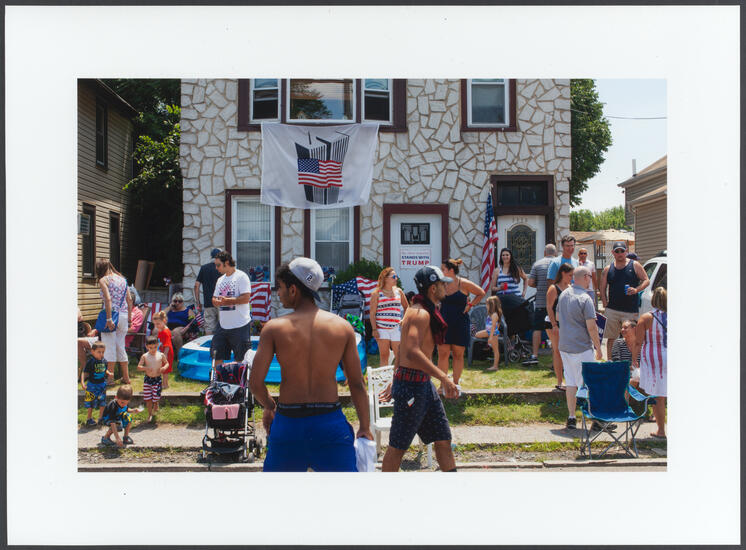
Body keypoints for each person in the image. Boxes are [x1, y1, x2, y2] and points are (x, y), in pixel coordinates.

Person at [249, 257, 373, 472]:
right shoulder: (342, 327)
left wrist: (270, 406)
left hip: (288, 425)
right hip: (330, 424)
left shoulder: (274, 329)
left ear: (293, 290)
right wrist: (364, 426)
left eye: (280, 287)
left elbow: (255, 383)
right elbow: (356, 383)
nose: (278, 293)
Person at [382, 265, 460, 472]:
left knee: (443, 439)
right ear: (433, 288)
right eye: (442, 284)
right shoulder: (420, 313)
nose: (446, 287)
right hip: (411, 387)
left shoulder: (422, 310)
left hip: (422, 385)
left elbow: (402, 350)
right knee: (397, 447)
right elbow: (411, 351)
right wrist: (444, 377)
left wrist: (394, 376)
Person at [556, 265, 604, 431]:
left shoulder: (563, 294)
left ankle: (571, 417)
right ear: (584, 277)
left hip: (565, 345)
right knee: (589, 383)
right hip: (582, 347)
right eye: (589, 276)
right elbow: (592, 327)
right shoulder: (585, 298)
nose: (590, 279)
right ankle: (595, 419)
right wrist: (598, 348)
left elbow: (557, 317)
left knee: (570, 382)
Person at [437, 259, 485, 389]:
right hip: (443, 323)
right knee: (443, 354)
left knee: (458, 354)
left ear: (451, 270)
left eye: (443, 269)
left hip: (460, 322)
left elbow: (481, 293)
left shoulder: (463, 283)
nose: (441, 271)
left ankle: (456, 385)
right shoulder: (440, 283)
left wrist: (470, 305)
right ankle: (442, 385)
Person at [600, 240, 650, 359]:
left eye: (622, 251)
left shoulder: (635, 265)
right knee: (611, 338)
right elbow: (602, 287)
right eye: (617, 251)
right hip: (613, 310)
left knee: (632, 337)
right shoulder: (608, 269)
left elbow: (646, 280)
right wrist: (605, 302)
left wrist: (636, 290)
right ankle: (610, 362)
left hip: (630, 310)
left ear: (626, 251)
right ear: (613, 253)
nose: (619, 253)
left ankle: (633, 362)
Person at [634, 287, 667, 439]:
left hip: (653, 359)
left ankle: (661, 430)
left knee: (658, 395)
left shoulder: (646, 318)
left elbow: (638, 342)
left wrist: (634, 359)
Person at [211, 250, 252, 367]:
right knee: (216, 355)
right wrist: (216, 302)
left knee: (241, 359)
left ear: (227, 263)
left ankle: (240, 379)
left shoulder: (241, 276)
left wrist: (227, 301)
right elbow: (214, 299)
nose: (216, 268)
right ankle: (217, 378)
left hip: (240, 325)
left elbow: (246, 298)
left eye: (218, 265)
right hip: (223, 325)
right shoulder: (220, 280)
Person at [96, 259, 133, 384]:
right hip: (123, 316)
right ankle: (126, 377)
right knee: (121, 347)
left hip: (111, 316)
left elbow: (108, 299)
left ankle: (110, 378)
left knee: (109, 347)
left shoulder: (104, 280)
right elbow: (129, 300)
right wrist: (129, 318)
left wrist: (109, 318)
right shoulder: (123, 279)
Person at [524, 243, 557, 365]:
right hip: (555, 303)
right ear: (555, 252)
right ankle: (555, 356)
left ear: (544, 252)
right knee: (555, 328)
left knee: (537, 328)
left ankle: (535, 355)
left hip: (541, 302)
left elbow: (530, 282)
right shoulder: (558, 263)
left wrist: (539, 284)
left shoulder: (537, 264)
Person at [370, 267, 409, 366]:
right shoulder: (377, 294)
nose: (396, 278)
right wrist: (374, 329)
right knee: (384, 356)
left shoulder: (399, 291)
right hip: (381, 329)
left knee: (399, 356)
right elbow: (372, 313)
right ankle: (385, 376)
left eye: (396, 276)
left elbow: (407, 307)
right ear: (386, 278)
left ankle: (398, 376)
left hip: (396, 328)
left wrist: (404, 319)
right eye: (394, 277)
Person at [546, 263, 574, 390]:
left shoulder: (570, 287)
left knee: (567, 352)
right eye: (570, 275)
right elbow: (549, 307)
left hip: (567, 324)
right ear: (563, 273)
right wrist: (554, 325)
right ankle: (559, 381)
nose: (571, 278)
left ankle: (570, 379)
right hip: (553, 324)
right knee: (557, 351)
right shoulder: (553, 288)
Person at [137, 336, 169, 423]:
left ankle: (156, 403)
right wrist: (145, 368)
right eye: (150, 348)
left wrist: (164, 368)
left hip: (157, 379)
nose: (153, 349)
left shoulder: (161, 355)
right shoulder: (145, 356)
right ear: (147, 346)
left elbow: (167, 363)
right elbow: (139, 367)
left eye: (155, 347)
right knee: (148, 398)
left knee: (156, 396)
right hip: (148, 380)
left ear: (158, 345)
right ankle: (150, 414)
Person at [80, 341, 113, 427]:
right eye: (99, 352)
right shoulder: (91, 362)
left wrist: (108, 373)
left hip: (102, 385)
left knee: (102, 402)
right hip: (92, 385)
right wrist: (82, 382)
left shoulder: (104, 361)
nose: (101, 354)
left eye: (103, 352)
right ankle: (89, 419)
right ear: (92, 351)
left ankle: (100, 418)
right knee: (90, 402)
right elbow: (84, 372)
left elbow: (104, 369)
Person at [194, 248, 222, 335]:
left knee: (209, 328)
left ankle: (209, 344)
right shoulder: (223, 268)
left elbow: (196, 286)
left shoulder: (204, 268)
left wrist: (198, 302)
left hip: (208, 303)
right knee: (223, 327)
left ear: (211, 256)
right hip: (222, 302)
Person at [475, 295, 503, 372]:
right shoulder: (491, 314)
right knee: (476, 334)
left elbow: (494, 326)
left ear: (492, 305)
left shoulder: (494, 315)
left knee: (495, 350)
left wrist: (490, 337)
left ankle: (495, 366)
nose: (486, 306)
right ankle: (487, 344)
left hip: (493, 334)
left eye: (487, 304)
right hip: (488, 331)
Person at [151, 311, 175, 390]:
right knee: (162, 369)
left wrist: (165, 354)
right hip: (163, 351)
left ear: (164, 321)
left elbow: (167, 345)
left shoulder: (165, 332)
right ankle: (163, 384)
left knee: (165, 370)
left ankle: (165, 384)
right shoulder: (161, 329)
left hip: (167, 353)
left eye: (158, 324)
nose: (156, 326)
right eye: (155, 324)